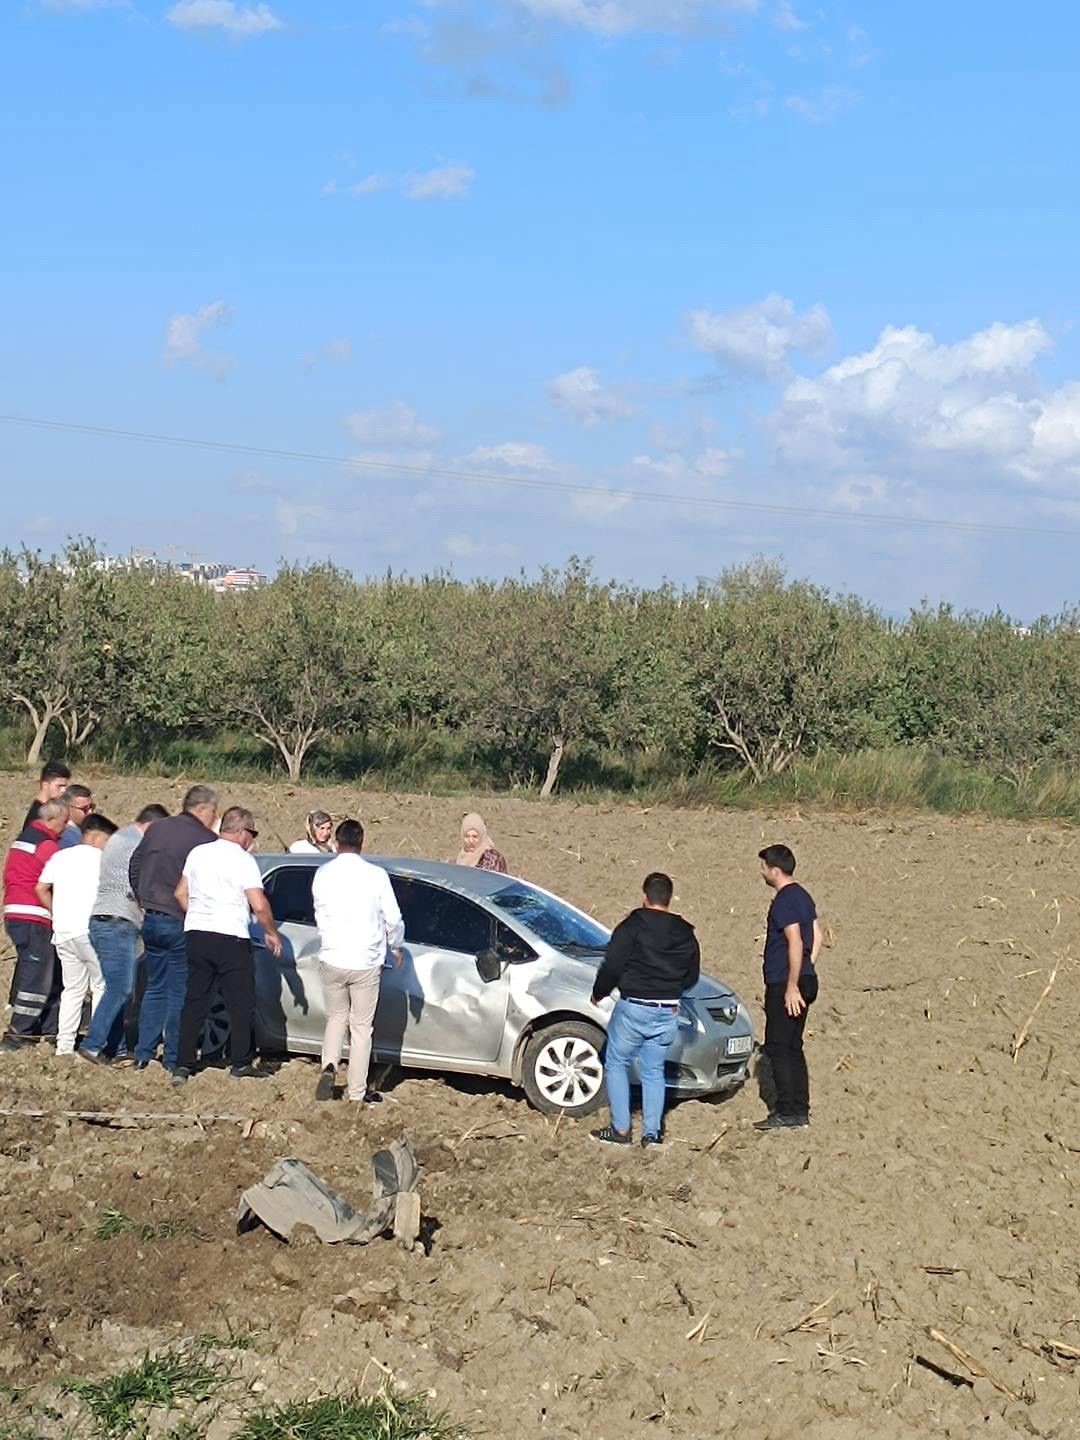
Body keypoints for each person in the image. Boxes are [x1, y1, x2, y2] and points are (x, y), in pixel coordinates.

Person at [589, 872, 701, 1148]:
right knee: (653, 1070)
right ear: (670, 899)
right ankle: (651, 1133)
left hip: (635, 1006)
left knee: (616, 1062)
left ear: (644, 896)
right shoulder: (686, 933)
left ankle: (621, 1129)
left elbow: (612, 965)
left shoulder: (632, 927)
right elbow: (692, 975)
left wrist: (599, 992)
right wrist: (673, 990)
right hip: (668, 1010)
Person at [172, 806, 282, 1085]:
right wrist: (271, 932)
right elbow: (259, 903)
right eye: (253, 833)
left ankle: (183, 1064)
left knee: (195, 1000)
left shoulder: (198, 853)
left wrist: (197, 915)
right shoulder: (243, 860)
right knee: (240, 1002)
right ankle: (241, 1062)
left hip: (197, 933)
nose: (252, 839)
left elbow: (180, 892)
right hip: (230, 936)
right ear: (243, 831)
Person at [311, 819, 404, 1105]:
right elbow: (393, 918)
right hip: (364, 961)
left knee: (336, 1017)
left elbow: (319, 913)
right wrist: (396, 946)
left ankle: (329, 1065)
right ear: (361, 843)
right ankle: (355, 1092)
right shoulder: (376, 876)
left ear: (337, 843)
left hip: (332, 957)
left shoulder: (323, 874)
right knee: (361, 1027)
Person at [129, 784, 218, 1073]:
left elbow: (136, 862)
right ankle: (173, 1058)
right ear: (203, 808)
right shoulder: (205, 840)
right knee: (180, 992)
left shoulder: (158, 828)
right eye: (213, 812)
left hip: (152, 917)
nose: (213, 818)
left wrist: (142, 897)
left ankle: (143, 1055)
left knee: (155, 987)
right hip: (180, 920)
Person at [80, 804, 170, 1066]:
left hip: (106, 920)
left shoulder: (120, 838)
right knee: (121, 988)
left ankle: (117, 1048)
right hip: (117, 922)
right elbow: (140, 883)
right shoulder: (137, 845)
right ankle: (92, 1045)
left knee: (117, 987)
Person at [35, 815, 117, 1057]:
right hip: (92, 931)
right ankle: (95, 1045)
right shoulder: (104, 861)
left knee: (72, 990)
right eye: (107, 840)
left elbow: (40, 888)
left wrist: (55, 912)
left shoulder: (60, 856)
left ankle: (64, 1046)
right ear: (94, 836)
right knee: (102, 985)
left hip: (64, 931)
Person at [755, 844, 822, 1132]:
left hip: (787, 981)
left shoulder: (784, 901)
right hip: (804, 976)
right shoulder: (803, 896)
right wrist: (808, 966)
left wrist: (792, 985)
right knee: (794, 1046)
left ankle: (786, 1111)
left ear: (775, 870)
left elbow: (795, 941)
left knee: (779, 1047)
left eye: (763, 866)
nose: (761, 871)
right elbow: (817, 934)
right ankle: (800, 1109)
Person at [1, 797, 70, 1050]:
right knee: (36, 977)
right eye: (64, 822)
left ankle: (47, 1028)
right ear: (51, 820)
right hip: (34, 915)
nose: (65, 828)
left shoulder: (24, 839)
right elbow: (60, 880)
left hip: (15, 912)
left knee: (45, 973)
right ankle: (20, 1033)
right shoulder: (47, 845)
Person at [22, 761, 71, 830]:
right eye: (59, 786)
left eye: (65, 786)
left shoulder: (46, 810)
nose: (63, 790)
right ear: (45, 785)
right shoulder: (38, 815)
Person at [58, 784, 95, 849]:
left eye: (92, 806)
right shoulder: (68, 839)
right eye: (85, 809)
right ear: (67, 808)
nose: (91, 812)